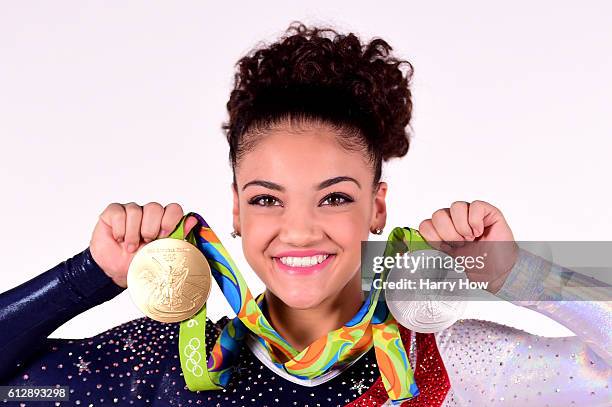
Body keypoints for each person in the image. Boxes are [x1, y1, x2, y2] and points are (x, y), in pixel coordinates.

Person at [0, 22, 610, 407]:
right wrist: (89, 275)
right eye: (267, 198)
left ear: (377, 208)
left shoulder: (446, 364)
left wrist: (517, 276)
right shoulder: (165, 369)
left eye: (335, 196)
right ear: (235, 210)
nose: (298, 229)